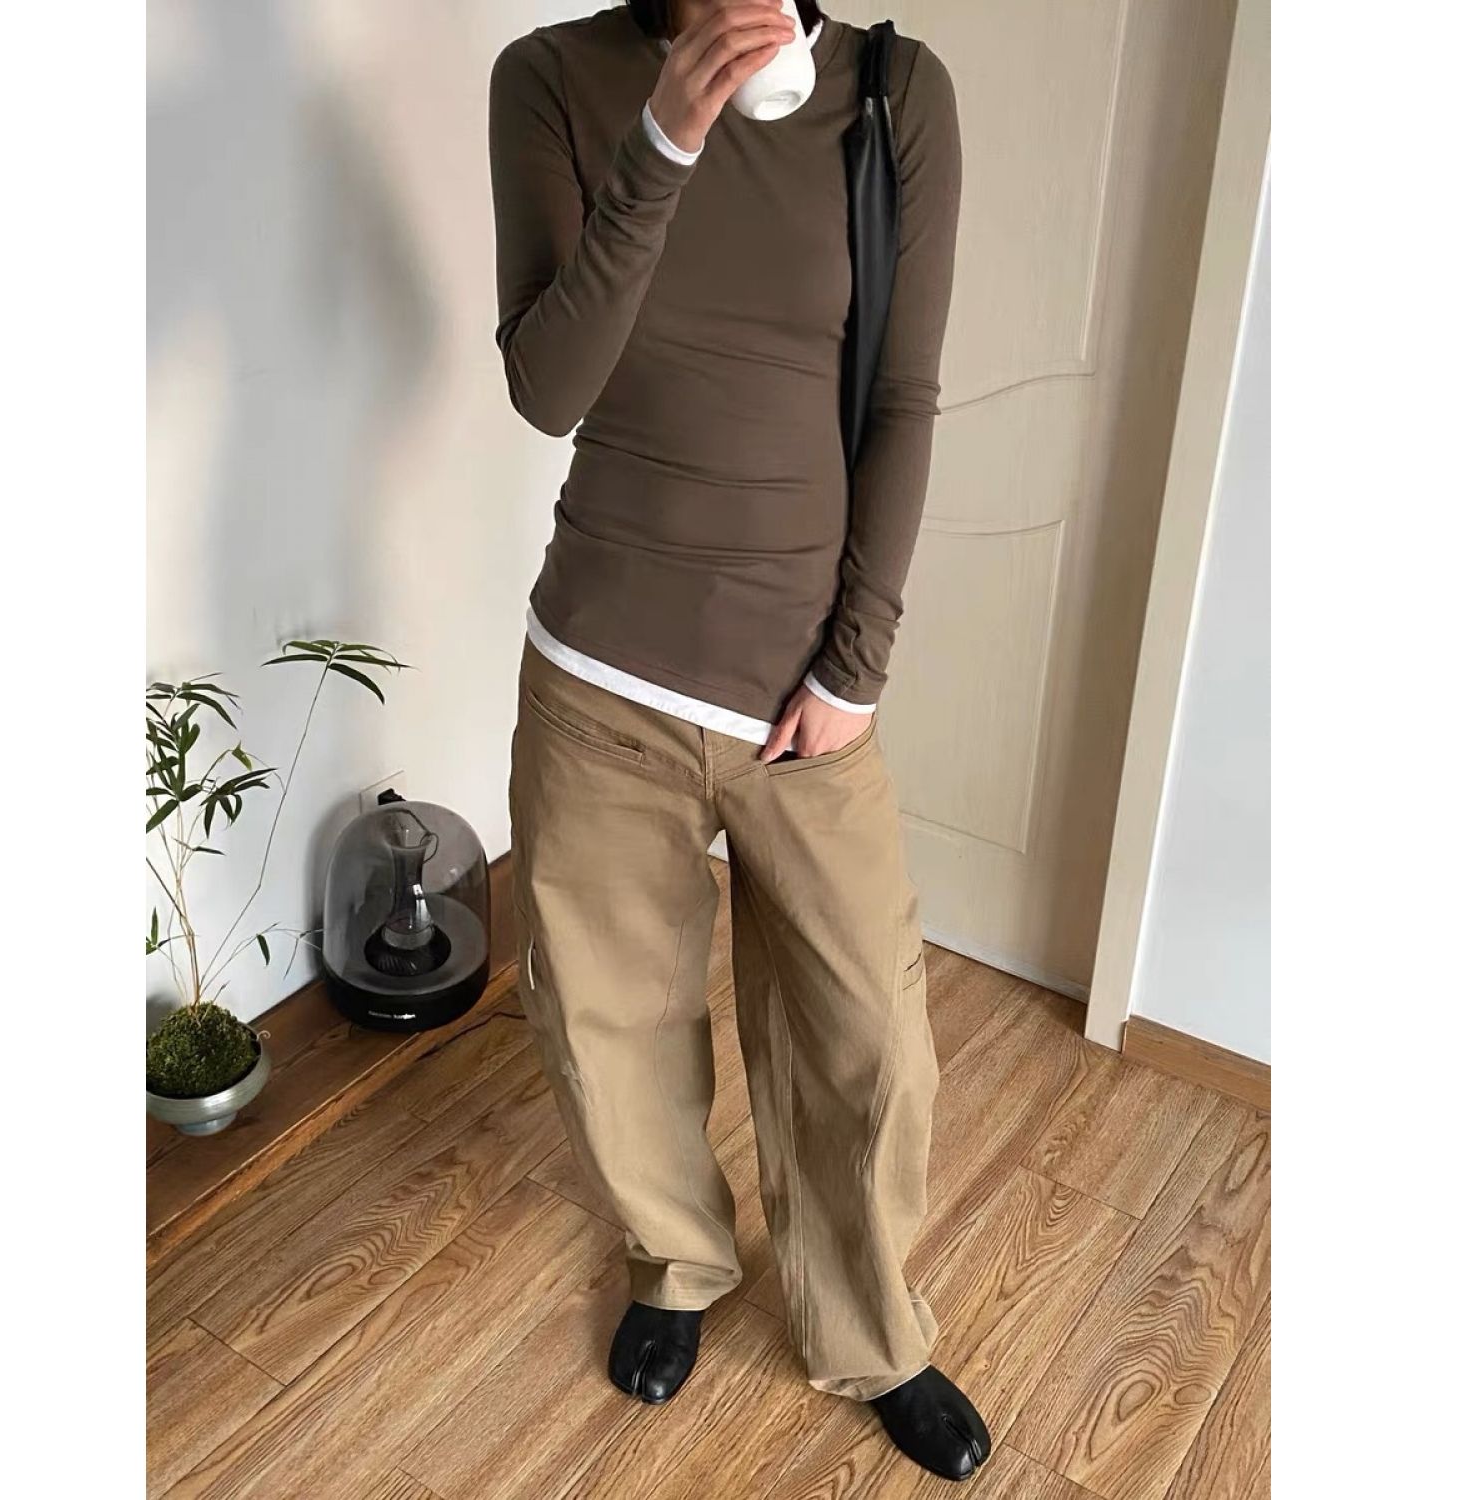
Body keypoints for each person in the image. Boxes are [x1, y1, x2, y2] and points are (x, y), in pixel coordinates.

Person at [490, 0, 988, 1482]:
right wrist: (663, 143)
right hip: (599, 675)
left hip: (804, 695)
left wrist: (858, 665)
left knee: (870, 1039)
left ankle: (873, 1330)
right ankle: (677, 1261)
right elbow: (548, 389)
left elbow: (902, 399)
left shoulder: (894, 93)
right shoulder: (552, 79)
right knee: (609, 1017)